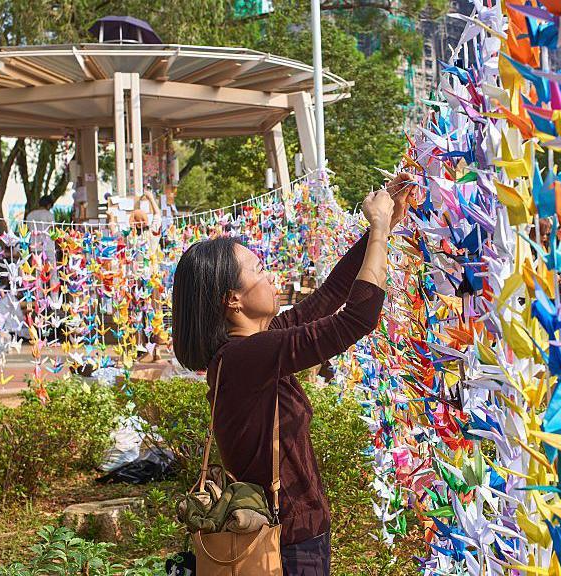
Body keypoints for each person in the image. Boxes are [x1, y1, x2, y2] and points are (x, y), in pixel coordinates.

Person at [170, 173, 414, 575]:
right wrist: (380, 230)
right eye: (257, 269)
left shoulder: (253, 349)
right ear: (233, 300)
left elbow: (329, 297)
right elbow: (355, 319)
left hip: (298, 534)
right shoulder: (246, 358)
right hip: (287, 543)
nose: (270, 277)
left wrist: (384, 226)